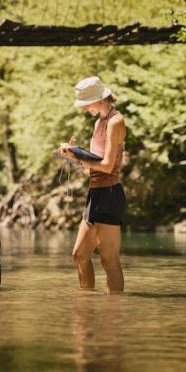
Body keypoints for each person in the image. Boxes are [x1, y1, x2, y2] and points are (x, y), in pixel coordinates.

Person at [57, 76, 126, 293]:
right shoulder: (99, 123)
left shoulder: (116, 121)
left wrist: (78, 158)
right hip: (95, 193)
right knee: (79, 255)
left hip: (110, 193)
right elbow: (92, 165)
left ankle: (113, 315)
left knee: (109, 260)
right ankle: (87, 307)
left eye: (87, 104)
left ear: (100, 99)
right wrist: (72, 154)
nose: (85, 109)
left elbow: (106, 166)